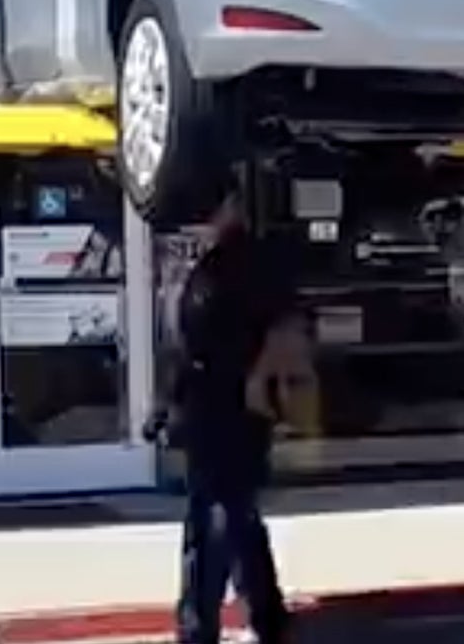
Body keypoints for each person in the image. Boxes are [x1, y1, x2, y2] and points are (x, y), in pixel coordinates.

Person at [155, 188, 298, 644]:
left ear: (234, 205)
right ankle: (257, 617)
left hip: (233, 408)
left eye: (215, 204)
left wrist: (258, 384)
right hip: (212, 407)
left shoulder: (249, 263)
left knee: (219, 521)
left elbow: (281, 329)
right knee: (229, 520)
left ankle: (208, 624)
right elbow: (188, 345)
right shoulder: (213, 262)